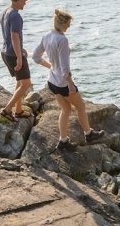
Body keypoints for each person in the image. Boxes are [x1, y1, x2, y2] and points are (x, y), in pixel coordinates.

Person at [32, 8, 105, 153]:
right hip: (63, 83)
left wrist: (51, 67)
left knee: (65, 109)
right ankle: (89, 134)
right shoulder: (62, 40)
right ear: (62, 24)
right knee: (81, 107)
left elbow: (35, 57)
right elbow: (65, 68)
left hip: (52, 82)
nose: (69, 27)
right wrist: (71, 85)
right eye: (68, 24)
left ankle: (63, 141)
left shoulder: (46, 36)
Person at [0, 0, 32, 120]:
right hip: (13, 55)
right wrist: (19, 56)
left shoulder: (6, 11)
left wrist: (21, 48)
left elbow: (8, 36)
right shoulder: (16, 16)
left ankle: (18, 110)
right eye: (24, 0)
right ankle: (7, 110)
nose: (25, 3)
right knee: (26, 84)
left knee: (20, 81)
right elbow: (14, 36)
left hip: (6, 52)